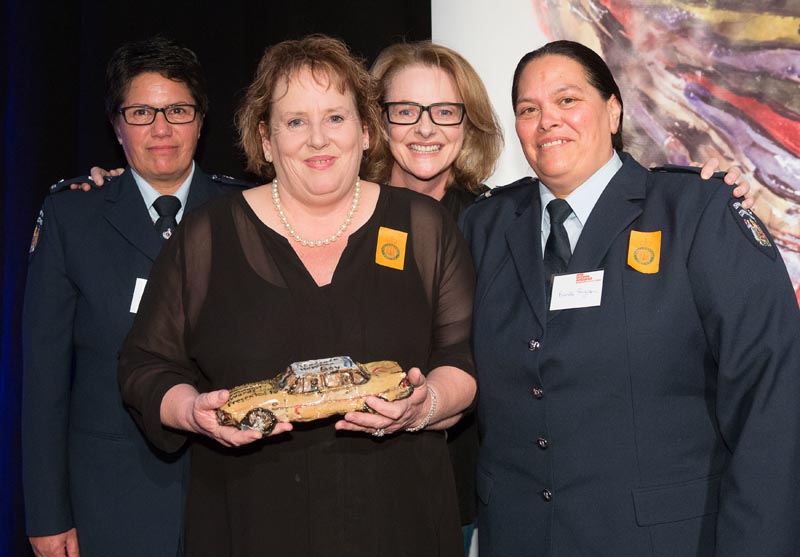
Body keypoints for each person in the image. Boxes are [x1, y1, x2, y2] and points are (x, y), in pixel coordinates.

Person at [117, 35, 477, 557]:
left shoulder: (425, 228)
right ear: (265, 140)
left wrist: (424, 407)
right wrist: (191, 410)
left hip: (401, 519)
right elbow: (143, 365)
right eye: (294, 121)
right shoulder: (205, 237)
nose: (318, 139)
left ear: (366, 130)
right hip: (249, 522)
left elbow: (461, 359)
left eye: (335, 117)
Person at [461, 40, 800, 557]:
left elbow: (772, 399)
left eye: (568, 100)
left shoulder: (696, 213)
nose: (547, 120)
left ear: (613, 110)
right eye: (529, 109)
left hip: (663, 541)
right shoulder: (484, 227)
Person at [21, 37, 249, 557]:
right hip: (110, 499)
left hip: (232, 492)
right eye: (142, 112)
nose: (162, 128)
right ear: (117, 125)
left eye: (178, 110)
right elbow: (44, 380)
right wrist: (46, 514)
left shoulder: (246, 214)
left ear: (201, 119)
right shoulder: (72, 219)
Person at [368, 40, 503, 552]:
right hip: (344, 469)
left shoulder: (499, 223)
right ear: (377, 121)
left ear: (468, 123)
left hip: (458, 482)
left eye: (445, 111)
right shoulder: (336, 214)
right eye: (405, 111)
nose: (426, 128)